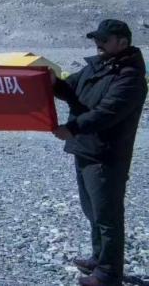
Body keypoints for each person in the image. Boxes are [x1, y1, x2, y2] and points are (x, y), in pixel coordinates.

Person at [51, 19, 147, 286]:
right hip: (86, 149)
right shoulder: (98, 66)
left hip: (107, 156)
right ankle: (98, 258)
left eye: (104, 40)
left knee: (107, 215)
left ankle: (108, 273)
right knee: (92, 209)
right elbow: (71, 89)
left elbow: (108, 112)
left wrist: (72, 128)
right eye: (96, 39)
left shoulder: (130, 77)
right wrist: (54, 83)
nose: (98, 43)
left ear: (122, 42)